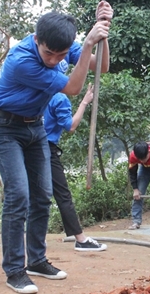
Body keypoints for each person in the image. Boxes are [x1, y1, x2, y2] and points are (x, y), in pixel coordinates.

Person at [0, 3, 113, 294]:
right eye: (49, 54)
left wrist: (104, 32)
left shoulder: (61, 47)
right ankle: (15, 270)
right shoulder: (22, 60)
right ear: (36, 40)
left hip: (35, 128)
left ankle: (37, 261)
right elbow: (72, 87)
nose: (55, 59)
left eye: (61, 54)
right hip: (4, 129)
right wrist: (89, 44)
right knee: (18, 195)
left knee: (42, 196)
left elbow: (101, 67)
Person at [43, 85, 108, 253]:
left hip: (29, 147)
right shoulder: (58, 98)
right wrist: (85, 102)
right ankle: (80, 239)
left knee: (37, 195)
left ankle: (36, 239)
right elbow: (70, 126)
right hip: (46, 149)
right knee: (63, 195)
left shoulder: (37, 92)